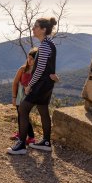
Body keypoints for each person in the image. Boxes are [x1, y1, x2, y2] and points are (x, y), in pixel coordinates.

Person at [7, 17, 58, 155]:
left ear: (43, 29)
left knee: (23, 109)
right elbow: (48, 67)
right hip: (47, 84)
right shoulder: (50, 43)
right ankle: (46, 142)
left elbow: (40, 69)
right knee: (43, 110)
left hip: (40, 85)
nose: (33, 29)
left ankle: (21, 144)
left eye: (35, 26)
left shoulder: (45, 45)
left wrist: (29, 85)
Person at [10, 47, 38, 145]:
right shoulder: (22, 69)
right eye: (28, 58)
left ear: (36, 59)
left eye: (32, 59)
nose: (29, 60)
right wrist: (14, 97)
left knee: (24, 115)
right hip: (20, 95)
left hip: (30, 96)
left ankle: (31, 137)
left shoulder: (37, 72)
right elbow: (15, 83)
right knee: (20, 114)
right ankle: (21, 133)